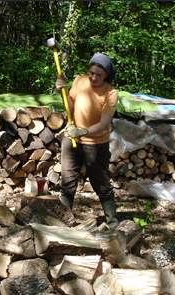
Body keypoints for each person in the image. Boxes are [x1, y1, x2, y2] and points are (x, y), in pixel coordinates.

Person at [54, 53, 119, 228]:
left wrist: (82, 131)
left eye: (99, 75)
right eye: (91, 73)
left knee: (102, 184)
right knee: (67, 183)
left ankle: (112, 222)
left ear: (106, 75)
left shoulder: (111, 93)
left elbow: (104, 123)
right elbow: (71, 106)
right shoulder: (79, 81)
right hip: (71, 140)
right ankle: (63, 221)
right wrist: (63, 91)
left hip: (96, 144)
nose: (94, 78)